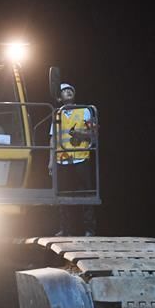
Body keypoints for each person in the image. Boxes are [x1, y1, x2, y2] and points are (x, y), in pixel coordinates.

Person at [49, 82, 97, 236]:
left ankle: (89, 229)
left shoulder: (85, 111)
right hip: (62, 159)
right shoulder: (57, 113)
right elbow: (52, 139)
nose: (68, 92)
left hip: (80, 158)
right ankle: (65, 229)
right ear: (59, 97)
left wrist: (80, 135)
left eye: (70, 90)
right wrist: (50, 161)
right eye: (64, 91)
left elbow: (94, 133)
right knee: (63, 195)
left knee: (86, 194)